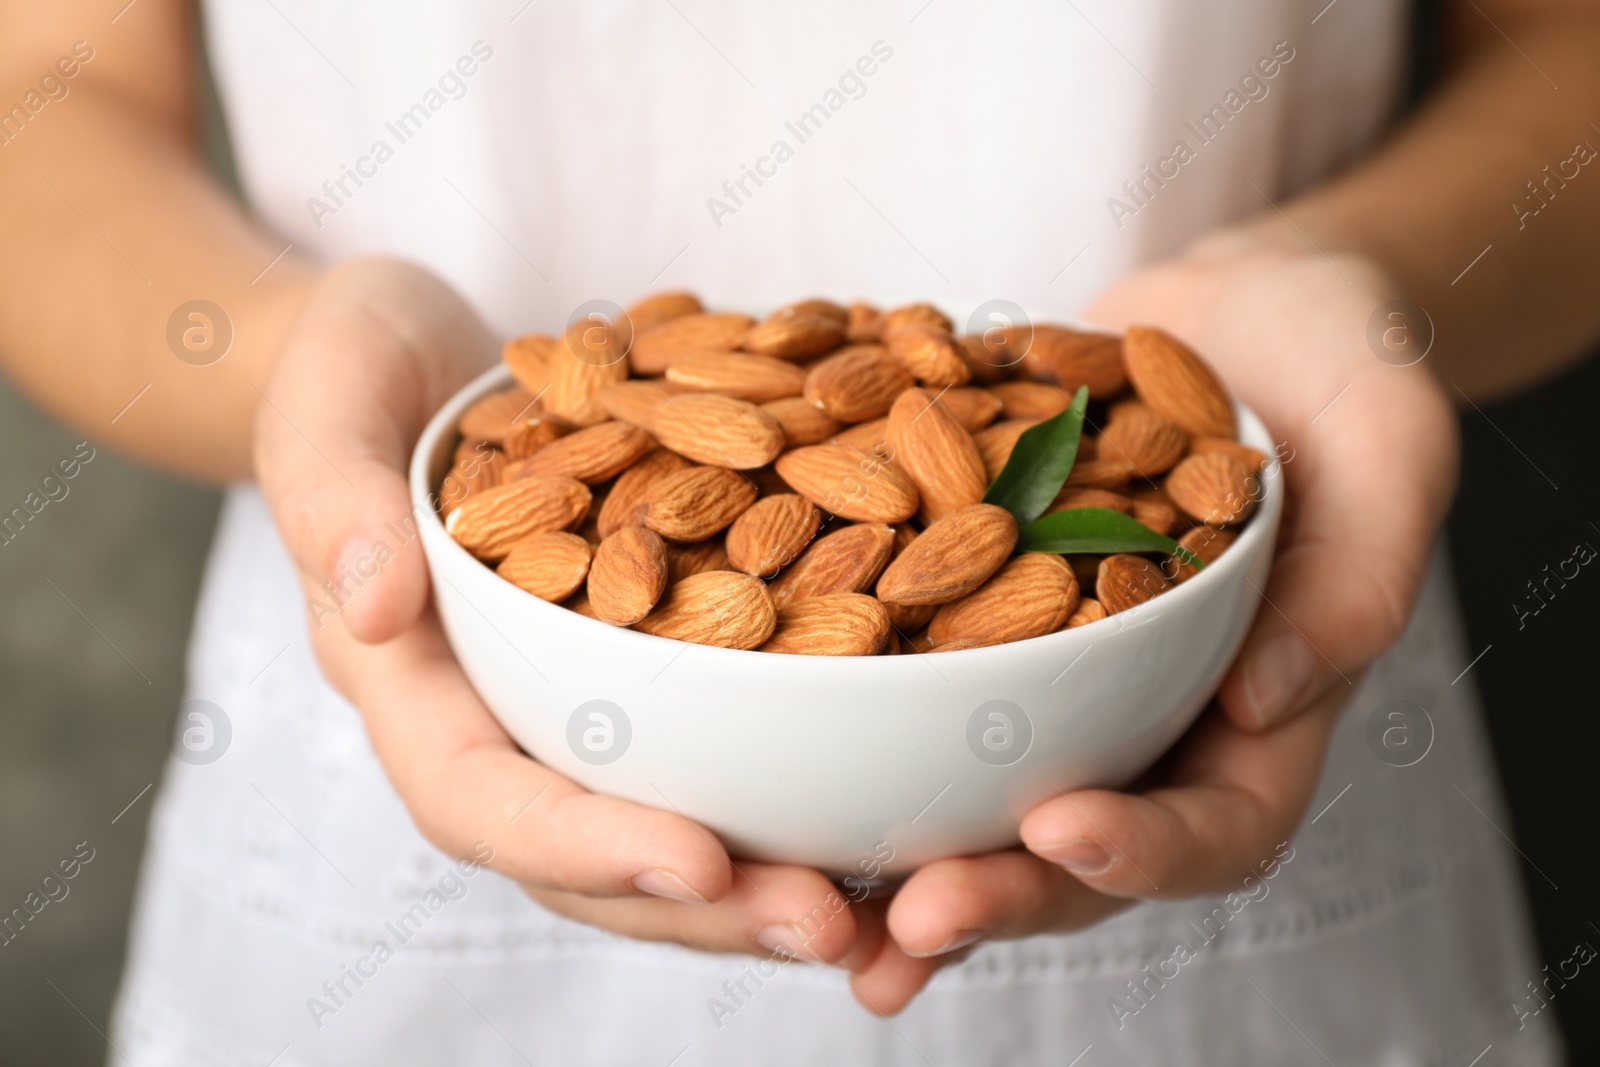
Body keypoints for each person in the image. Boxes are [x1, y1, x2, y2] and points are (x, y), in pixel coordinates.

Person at [3, 0, 1596, 1062]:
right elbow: (37, 102)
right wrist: (295, 361)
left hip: (1214, 674)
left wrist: (1355, 271)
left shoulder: (1014, 489)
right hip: (429, 660)